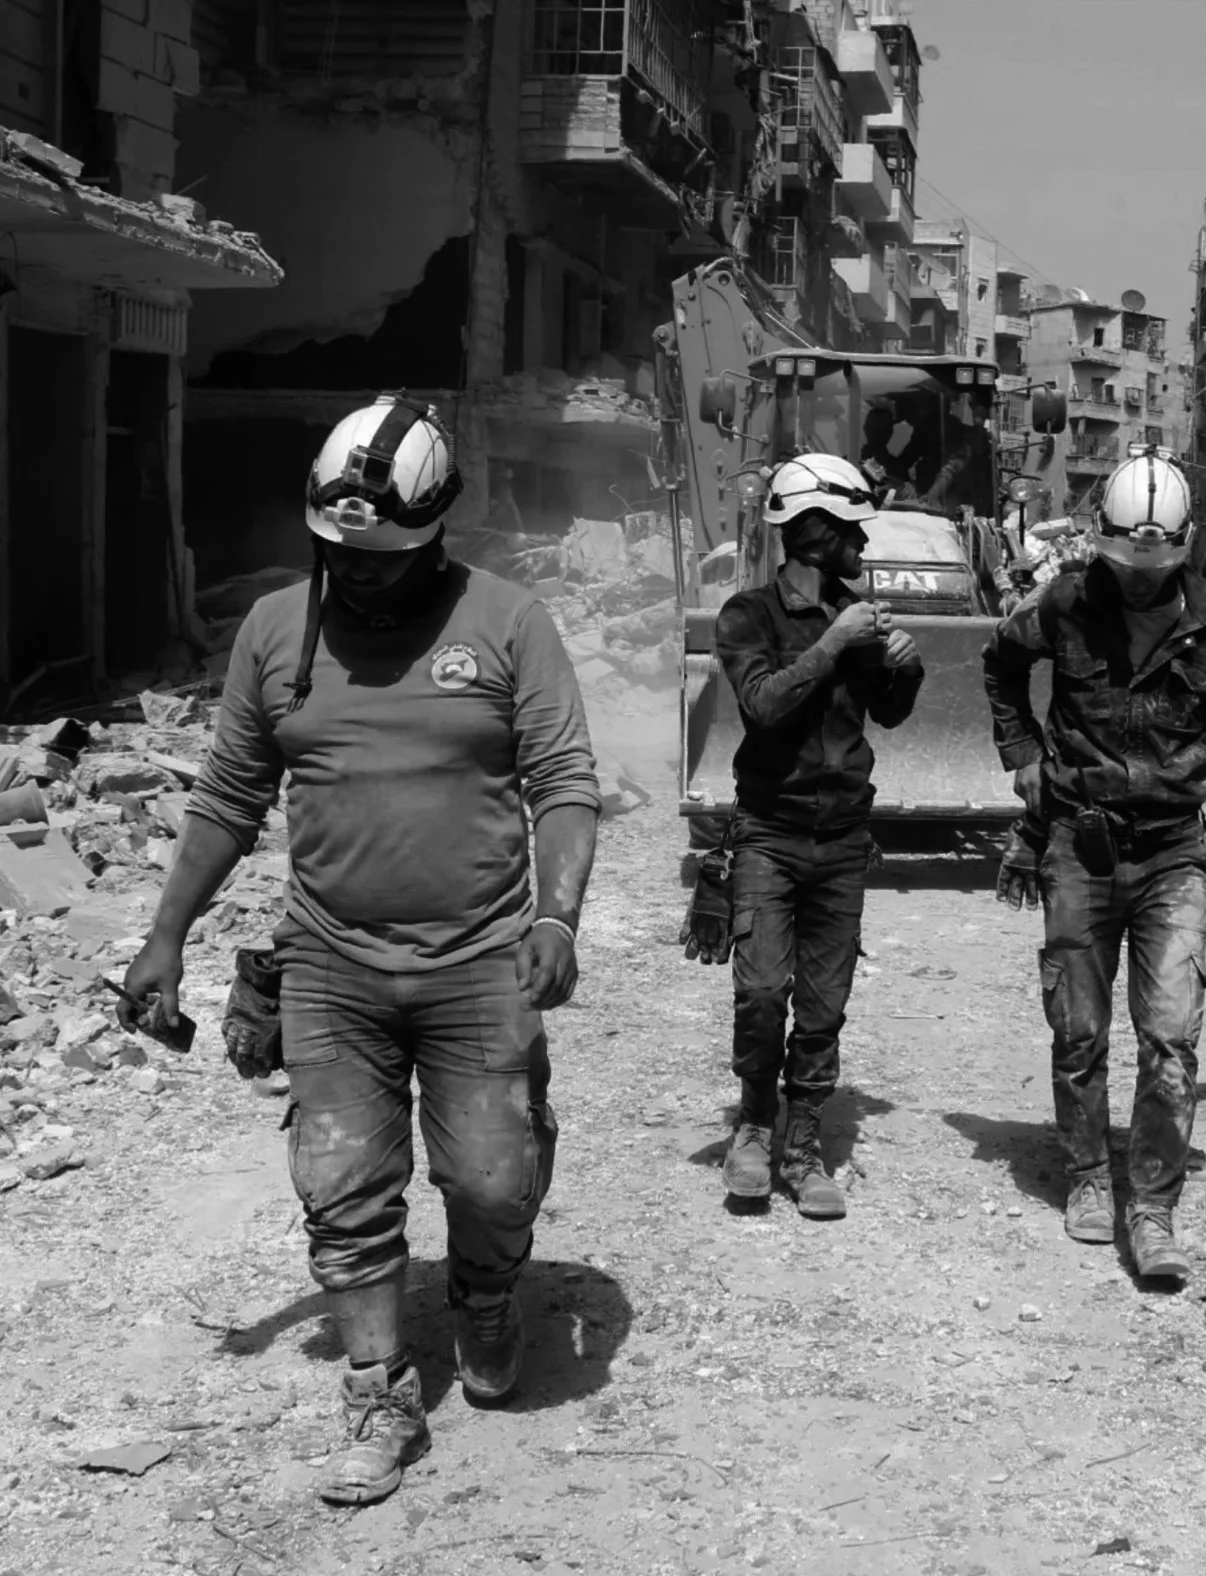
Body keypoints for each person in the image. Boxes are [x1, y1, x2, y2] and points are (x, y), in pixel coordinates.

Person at [120, 395, 601, 1504]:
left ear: (435, 534)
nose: (359, 576)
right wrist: (164, 936)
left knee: (493, 1177)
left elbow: (564, 782)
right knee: (339, 1181)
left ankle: (486, 1292)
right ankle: (378, 1391)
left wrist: (556, 918)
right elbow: (229, 797)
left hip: (481, 960)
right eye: (340, 554)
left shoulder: (508, 622)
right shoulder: (274, 631)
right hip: (331, 964)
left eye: (383, 559)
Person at [983, 449, 1206, 1283]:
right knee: (1078, 1029)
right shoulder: (1063, 604)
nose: (1140, 581)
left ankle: (1151, 1206)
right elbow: (1000, 664)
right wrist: (1022, 754)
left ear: (1183, 548)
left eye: (1155, 567)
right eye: (1126, 564)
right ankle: (1086, 1174)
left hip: (1174, 852)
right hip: (1079, 843)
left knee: (1172, 1037)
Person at [705, 453, 924, 1217]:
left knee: (825, 1005)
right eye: (852, 530)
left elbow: (887, 712)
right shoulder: (747, 616)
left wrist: (903, 667)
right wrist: (833, 641)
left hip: (841, 841)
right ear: (814, 532)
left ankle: (802, 1150)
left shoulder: (854, 614)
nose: (863, 544)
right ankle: (753, 1128)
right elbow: (764, 705)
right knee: (764, 992)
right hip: (769, 833)